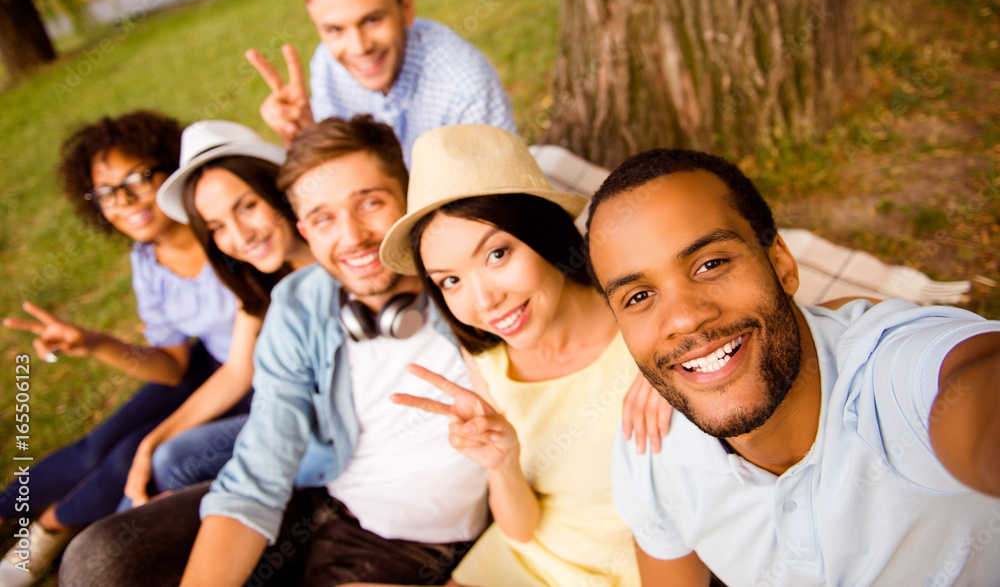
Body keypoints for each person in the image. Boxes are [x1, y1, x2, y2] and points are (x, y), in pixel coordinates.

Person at [57, 116, 488, 587]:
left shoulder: (467, 277)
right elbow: (259, 463)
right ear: (306, 221)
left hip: (415, 531)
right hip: (329, 495)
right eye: (324, 217)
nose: (351, 235)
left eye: (369, 203)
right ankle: (48, 524)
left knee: (171, 460)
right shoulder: (295, 301)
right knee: (96, 558)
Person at [584, 148, 1000, 586]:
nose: (684, 319)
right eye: (639, 297)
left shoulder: (898, 379)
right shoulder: (649, 447)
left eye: (710, 264)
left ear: (781, 264)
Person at [376, 123, 646, 586]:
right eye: (450, 280)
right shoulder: (487, 362)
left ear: (544, 233)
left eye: (497, 254)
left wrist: (674, 372)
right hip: (521, 562)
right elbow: (520, 529)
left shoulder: (643, 314)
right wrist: (501, 463)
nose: (483, 302)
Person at [0, 112, 237, 586]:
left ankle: (49, 529)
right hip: (208, 360)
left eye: (137, 178)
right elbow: (171, 368)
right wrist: (94, 343)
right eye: (106, 191)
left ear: (173, 170)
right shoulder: (146, 259)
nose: (123, 200)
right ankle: (7, 510)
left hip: (252, 371)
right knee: (95, 447)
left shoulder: (226, 225)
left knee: (133, 453)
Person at [121, 120, 314, 505]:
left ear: (275, 187)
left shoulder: (337, 260)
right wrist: (151, 442)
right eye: (217, 227)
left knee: (175, 463)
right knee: (153, 459)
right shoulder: (262, 282)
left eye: (247, 206)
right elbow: (238, 370)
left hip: (316, 428)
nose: (241, 238)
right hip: (283, 416)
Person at [245, 0, 516, 160]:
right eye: (335, 29)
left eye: (372, 20)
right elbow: (338, 178)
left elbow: (503, 201)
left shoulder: (465, 85)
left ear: (406, 8)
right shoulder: (327, 66)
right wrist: (304, 135)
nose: (358, 47)